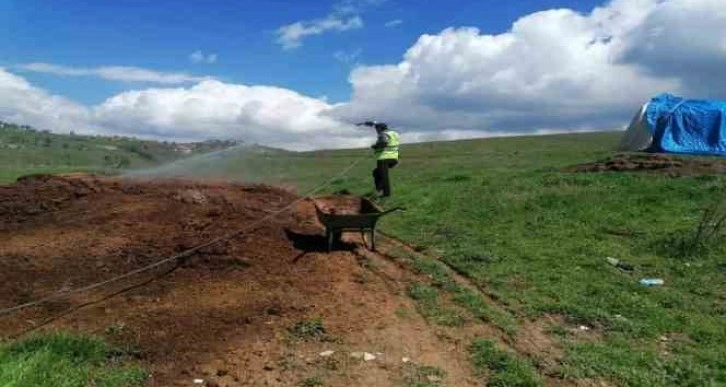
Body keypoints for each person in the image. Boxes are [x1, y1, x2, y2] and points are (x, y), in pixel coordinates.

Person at [357, 121, 400, 197]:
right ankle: (379, 189)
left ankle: (386, 194)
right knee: (376, 172)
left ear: (380, 129)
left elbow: (384, 142)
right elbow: (375, 123)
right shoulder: (394, 133)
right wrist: (363, 123)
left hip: (384, 158)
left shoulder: (383, 134)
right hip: (394, 158)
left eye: (377, 129)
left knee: (384, 177)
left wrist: (375, 146)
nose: (376, 131)